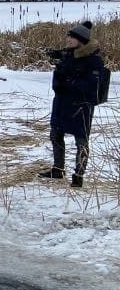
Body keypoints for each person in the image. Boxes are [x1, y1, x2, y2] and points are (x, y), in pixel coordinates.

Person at [40, 20, 105, 188]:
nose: (68, 39)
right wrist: (60, 74)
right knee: (55, 135)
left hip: (80, 107)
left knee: (81, 141)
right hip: (62, 103)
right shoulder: (68, 55)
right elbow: (58, 82)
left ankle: (78, 176)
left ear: (81, 40)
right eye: (68, 36)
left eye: (72, 37)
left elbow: (91, 86)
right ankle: (57, 170)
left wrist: (67, 81)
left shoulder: (93, 61)